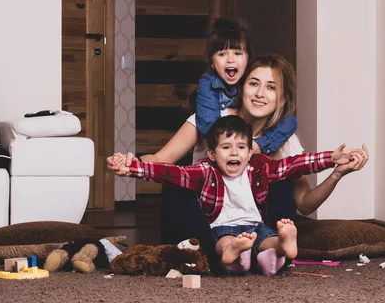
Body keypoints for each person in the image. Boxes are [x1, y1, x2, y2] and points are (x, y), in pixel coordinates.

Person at [106, 54, 369, 272]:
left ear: (283, 98)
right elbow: (162, 161)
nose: (260, 94)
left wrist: (337, 173)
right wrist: (132, 164)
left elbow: (304, 203)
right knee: (177, 181)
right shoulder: (212, 121)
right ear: (241, 88)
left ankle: (268, 250)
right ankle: (207, 255)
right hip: (204, 220)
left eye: (271, 87)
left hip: (256, 224)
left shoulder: (284, 139)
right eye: (254, 83)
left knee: (279, 177)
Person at [107, 115, 355, 276]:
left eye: (241, 148)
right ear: (213, 154)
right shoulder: (204, 171)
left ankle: (282, 246)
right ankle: (235, 253)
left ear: (249, 153)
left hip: (256, 228)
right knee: (224, 242)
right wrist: (132, 168)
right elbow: (170, 173)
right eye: (226, 148)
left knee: (267, 240)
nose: (234, 153)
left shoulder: (258, 168)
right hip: (223, 228)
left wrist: (330, 158)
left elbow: (294, 165)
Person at [197, 19, 297, 155]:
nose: (230, 60)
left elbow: (290, 121)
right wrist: (229, 148)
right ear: (212, 63)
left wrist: (257, 146)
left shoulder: (285, 134)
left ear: (248, 60)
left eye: (237, 53)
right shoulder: (208, 84)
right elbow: (209, 125)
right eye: (222, 54)